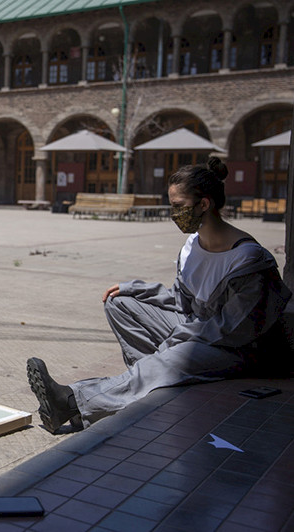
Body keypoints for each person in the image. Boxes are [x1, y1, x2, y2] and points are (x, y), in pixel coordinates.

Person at [27, 157, 292, 432]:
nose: (174, 213)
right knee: (120, 303)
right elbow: (181, 299)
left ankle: (71, 401)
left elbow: (234, 329)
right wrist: (137, 289)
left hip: (234, 349)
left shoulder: (248, 260)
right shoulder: (193, 246)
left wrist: (182, 337)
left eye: (179, 206)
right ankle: (146, 387)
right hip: (196, 331)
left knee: (173, 357)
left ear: (204, 204)